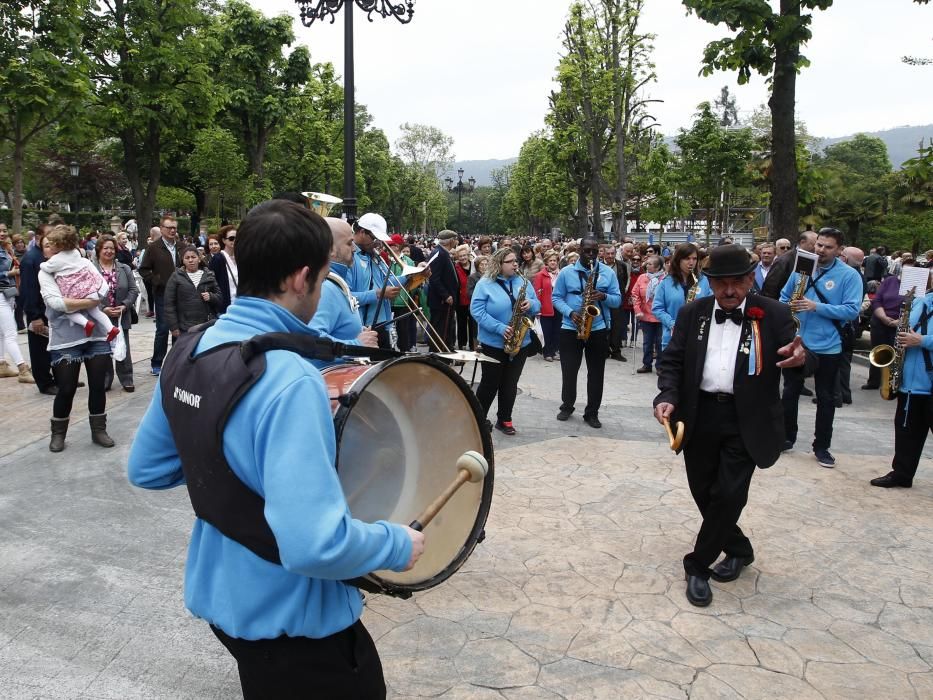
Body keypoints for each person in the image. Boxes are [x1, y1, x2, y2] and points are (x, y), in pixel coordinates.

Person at [128, 200, 423, 699]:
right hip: (293, 620)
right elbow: (315, 544)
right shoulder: (289, 379)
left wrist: (223, 456)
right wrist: (396, 544)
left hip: (226, 600)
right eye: (325, 275)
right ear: (300, 277)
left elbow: (148, 468)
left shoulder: (192, 347)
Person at [653, 244, 807, 607]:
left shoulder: (773, 313)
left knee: (729, 493)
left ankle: (697, 565)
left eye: (737, 282)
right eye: (721, 283)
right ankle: (738, 547)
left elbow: (800, 358)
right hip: (700, 415)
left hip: (747, 419)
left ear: (751, 279)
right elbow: (672, 361)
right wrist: (666, 396)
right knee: (703, 491)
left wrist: (802, 359)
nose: (729, 291)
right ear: (710, 282)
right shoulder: (693, 313)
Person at [780, 227, 862, 468]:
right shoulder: (803, 268)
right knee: (789, 392)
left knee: (826, 397)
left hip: (829, 345)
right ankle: (786, 437)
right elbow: (784, 297)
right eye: (819, 245)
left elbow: (852, 310)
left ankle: (822, 447)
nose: (821, 250)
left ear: (839, 250)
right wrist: (788, 308)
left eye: (828, 247)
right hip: (798, 342)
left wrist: (816, 307)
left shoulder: (849, 275)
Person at [39, 225, 115, 452]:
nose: (49, 248)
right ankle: (58, 433)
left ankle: (99, 429)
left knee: (98, 386)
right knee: (67, 388)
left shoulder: (81, 262)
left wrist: (85, 300)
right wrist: (89, 302)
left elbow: (101, 286)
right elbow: (56, 304)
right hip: (65, 338)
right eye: (46, 245)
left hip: (95, 337)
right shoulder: (45, 272)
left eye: (51, 244)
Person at [870, 268, 933, 489]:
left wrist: (923, 340)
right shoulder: (919, 301)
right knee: (906, 430)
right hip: (910, 382)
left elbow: (919, 338)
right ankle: (902, 474)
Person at [552, 235, 622, 429]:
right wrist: (570, 312)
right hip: (570, 327)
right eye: (586, 251)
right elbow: (556, 298)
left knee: (596, 373)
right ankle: (567, 405)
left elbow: (617, 300)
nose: (590, 255)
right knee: (569, 370)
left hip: (598, 328)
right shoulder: (566, 272)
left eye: (594, 251)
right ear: (579, 250)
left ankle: (592, 412)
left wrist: (603, 296)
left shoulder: (607, 273)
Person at [470, 247, 541, 435]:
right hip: (493, 343)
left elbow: (538, 303)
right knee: (489, 383)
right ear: (498, 264)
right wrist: (500, 328)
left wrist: (531, 304)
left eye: (515, 261)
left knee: (511, 383)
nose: (515, 264)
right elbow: (477, 311)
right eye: (510, 262)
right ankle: (478, 419)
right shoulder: (484, 283)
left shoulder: (523, 281)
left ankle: (505, 419)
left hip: (520, 342)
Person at [308, 217, 378, 366]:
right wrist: (357, 344)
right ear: (331, 249)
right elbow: (310, 339)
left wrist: (357, 331)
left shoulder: (331, 283)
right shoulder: (326, 287)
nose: (354, 248)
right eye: (349, 243)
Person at [40, 231, 122, 343]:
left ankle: (86, 323)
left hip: (73, 291)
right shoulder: (75, 253)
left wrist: (42, 265)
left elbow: (47, 267)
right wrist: (96, 298)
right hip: (88, 289)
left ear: (58, 245)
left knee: (70, 312)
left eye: (51, 244)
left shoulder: (55, 260)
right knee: (95, 311)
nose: (50, 247)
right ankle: (111, 328)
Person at [348, 213, 405, 349]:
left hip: (382, 323)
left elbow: (385, 282)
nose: (378, 243)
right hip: (362, 327)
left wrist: (411, 276)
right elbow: (346, 297)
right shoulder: (348, 257)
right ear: (362, 232)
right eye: (374, 238)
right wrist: (378, 294)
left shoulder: (374, 256)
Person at [94, 235, 139, 393]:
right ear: (99, 250)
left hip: (121, 314)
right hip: (100, 315)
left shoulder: (124, 268)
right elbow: (87, 292)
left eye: (112, 248)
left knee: (123, 346)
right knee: (103, 348)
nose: (109, 251)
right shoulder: (92, 269)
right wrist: (102, 308)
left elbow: (134, 290)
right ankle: (106, 379)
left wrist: (125, 305)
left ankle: (127, 378)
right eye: (105, 248)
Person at [864, 259, 917, 391]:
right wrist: (884, 317)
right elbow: (877, 300)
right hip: (881, 320)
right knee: (878, 351)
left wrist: (899, 322)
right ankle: (874, 381)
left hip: (901, 323)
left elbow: (915, 307)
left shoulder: (916, 286)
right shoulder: (890, 281)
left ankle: (892, 384)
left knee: (897, 354)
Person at [138, 216, 183, 376]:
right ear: (162, 229)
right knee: (163, 329)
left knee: (180, 328)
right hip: (163, 294)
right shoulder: (154, 248)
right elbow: (143, 269)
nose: (172, 230)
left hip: (181, 294)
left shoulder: (182, 246)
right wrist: (156, 280)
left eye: (175, 228)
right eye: (169, 227)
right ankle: (157, 362)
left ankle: (177, 362)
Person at [652, 243, 712, 351]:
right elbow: (657, 308)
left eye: (694, 259)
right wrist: (672, 324)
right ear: (678, 260)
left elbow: (710, 304)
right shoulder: (666, 282)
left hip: (697, 337)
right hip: (672, 337)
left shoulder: (703, 281)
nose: (691, 263)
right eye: (687, 258)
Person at [20, 224, 56, 394]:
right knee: (39, 350)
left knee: (53, 347)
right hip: (39, 312)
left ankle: (60, 377)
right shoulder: (30, 259)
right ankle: (45, 382)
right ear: (40, 237)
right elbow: (28, 289)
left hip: (51, 310)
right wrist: (34, 316)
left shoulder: (47, 256)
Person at [164, 246, 222, 337]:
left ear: (199, 259)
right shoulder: (176, 277)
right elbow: (169, 303)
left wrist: (211, 296)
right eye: (187, 258)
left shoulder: (209, 275)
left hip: (206, 325)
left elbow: (220, 297)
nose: (190, 260)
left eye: (193, 257)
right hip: (184, 326)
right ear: (183, 260)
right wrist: (173, 327)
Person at [427, 230, 460, 352]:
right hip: (441, 302)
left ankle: (446, 351)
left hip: (445, 301)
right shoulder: (439, 254)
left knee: (446, 329)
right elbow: (434, 278)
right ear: (451, 240)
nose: (457, 241)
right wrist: (445, 295)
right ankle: (438, 354)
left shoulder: (444, 253)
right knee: (440, 330)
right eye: (455, 239)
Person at [760, 231, 818, 300]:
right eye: (814, 244)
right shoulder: (784, 260)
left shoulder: (811, 258)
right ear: (802, 242)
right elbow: (770, 289)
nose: (816, 248)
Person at [632, 254, 664, 374]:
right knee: (647, 342)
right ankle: (647, 364)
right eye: (647, 263)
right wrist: (637, 310)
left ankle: (660, 366)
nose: (646, 265)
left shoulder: (665, 279)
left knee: (660, 342)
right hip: (645, 315)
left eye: (650, 264)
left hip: (661, 317)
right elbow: (635, 294)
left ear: (657, 267)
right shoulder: (642, 278)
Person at [602, 244, 629, 361]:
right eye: (608, 253)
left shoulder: (621, 265)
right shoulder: (598, 265)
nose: (610, 256)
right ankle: (604, 350)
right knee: (604, 326)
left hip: (617, 300)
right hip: (602, 300)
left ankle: (616, 351)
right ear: (603, 253)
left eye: (612, 253)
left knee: (617, 326)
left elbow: (624, 280)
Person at [533, 251, 561, 361]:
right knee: (546, 331)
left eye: (555, 260)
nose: (553, 262)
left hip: (559, 307)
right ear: (546, 262)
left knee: (557, 330)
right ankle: (547, 352)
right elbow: (537, 292)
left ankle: (555, 351)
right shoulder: (540, 275)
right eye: (550, 260)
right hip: (545, 306)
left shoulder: (561, 273)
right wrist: (537, 308)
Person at [209, 224, 238, 313]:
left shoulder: (240, 257)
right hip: (225, 307)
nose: (235, 240)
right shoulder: (218, 259)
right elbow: (211, 284)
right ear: (224, 240)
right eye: (231, 238)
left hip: (239, 305)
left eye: (237, 237)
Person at [453, 244, 475, 350]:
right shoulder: (455, 267)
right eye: (460, 256)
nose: (463, 258)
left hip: (472, 300)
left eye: (464, 255)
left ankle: (473, 344)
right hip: (460, 300)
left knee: (472, 324)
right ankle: (462, 344)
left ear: (468, 255)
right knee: (461, 324)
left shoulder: (474, 265)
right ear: (457, 257)